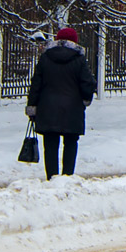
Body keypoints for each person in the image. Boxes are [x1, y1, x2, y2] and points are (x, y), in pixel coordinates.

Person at [26, 28, 97, 179]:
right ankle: (67, 176)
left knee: (50, 144)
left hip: (48, 108)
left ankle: (52, 177)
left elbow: (36, 84)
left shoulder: (45, 57)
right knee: (70, 143)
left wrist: (32, 106)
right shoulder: (79, 59)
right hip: (72, 109)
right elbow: (88, 83)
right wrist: (85, 99)